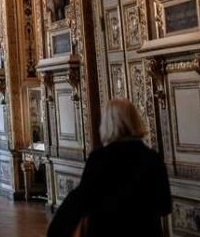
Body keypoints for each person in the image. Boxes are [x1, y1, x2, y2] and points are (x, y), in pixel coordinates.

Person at [47, 99, 171, 237]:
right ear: (136, 120)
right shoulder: (152, 158)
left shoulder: (99, 159)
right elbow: (164, 206)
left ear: (107, 124)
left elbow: (83, 200)